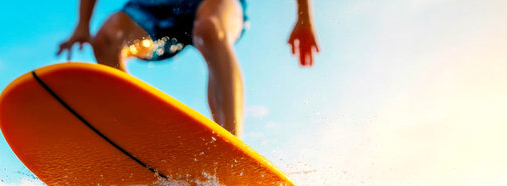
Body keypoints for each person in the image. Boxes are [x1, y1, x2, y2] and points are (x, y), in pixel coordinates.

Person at [57, 0, 318, 136]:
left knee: (209, 30)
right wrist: (82, 25)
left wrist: (304, 17)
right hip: (154, 8)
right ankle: (135, 132)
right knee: (106, 39)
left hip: (213, 3)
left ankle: (232, 147)